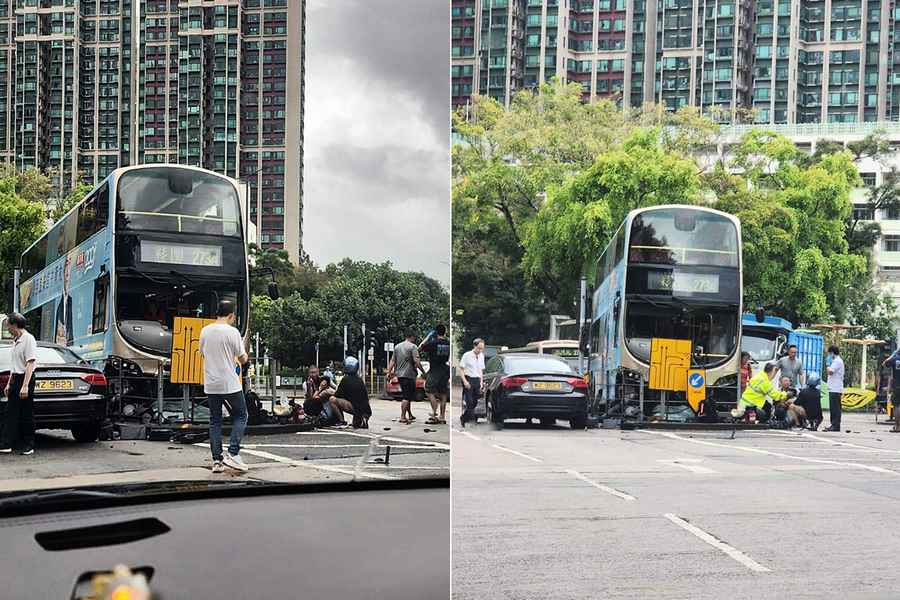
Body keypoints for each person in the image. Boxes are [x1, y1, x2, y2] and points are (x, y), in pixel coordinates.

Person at [199, 300, 249, 473]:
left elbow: (202, 353)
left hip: (211, 383)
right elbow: (242, 358)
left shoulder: (205, 330)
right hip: (229, 382)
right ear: (231, 315)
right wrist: (243, 358)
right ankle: (233, 453)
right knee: (241, 415)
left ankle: (217, 461)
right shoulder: (233, 332)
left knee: (215, 420)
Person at [1, 313, 38, 455]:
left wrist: (25, 385)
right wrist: (9, 384)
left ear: (14, 325)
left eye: (8, 326)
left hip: (26, 379)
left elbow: (30, 363)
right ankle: (6, 444)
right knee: (10, 412)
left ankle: (29, 445)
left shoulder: (28, 339)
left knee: (26, 413)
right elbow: (14, 365)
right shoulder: (16, 340)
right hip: (16, 378)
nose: (8, 329)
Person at [387, 330, 426, 425]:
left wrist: (388, 372)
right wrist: (424, 371)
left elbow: (392, 360)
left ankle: (409, 414)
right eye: (414, 337)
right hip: (409, 375)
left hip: (400, 375)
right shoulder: (413, 347)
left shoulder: (397, 346)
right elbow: (416, 361)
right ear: (412, 336)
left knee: (408, 395)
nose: (415, 339)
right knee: (406, 396)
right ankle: (403, 416)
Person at [420, 324, 451, 425]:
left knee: (428, 390)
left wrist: (428, 337)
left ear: (436, 332)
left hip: (435, 370)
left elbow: (420, 348)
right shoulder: (448, 343)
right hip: (445, 370)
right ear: (444, 332)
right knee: (443, 394)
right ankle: (442, 417)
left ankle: (434, 414)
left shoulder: (433, 343)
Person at [330, 356, 372, 429]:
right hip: (366, 409)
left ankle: (342, 421)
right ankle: (362, 419)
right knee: (356, 425)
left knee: (332, 399)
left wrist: (329, 392)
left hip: (355, 407)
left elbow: (337, 395)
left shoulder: (345, 379)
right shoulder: (360, 380)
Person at [458, 338, 486, 427]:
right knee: (469, 401)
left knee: (474, 402)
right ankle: (473, 421)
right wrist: (465, 381)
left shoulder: (482, 355)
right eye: (479, 348)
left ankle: (464, 417)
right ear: (474, 346)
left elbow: (481, 370)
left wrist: (481, 381)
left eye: (482, 348)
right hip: (468, 378)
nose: (480, 350)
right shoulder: (467, 355)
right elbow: (461, 369)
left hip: (477, 379)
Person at [825, 345, 845, 432]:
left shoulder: (837, 361)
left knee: (835, 408)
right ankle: (833, 424)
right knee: (833, 408)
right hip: (834, 388)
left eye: (829, 353)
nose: (829, 355)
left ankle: (835, 425)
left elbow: (830, 372)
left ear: (832, 353)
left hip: (835, 388)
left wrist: (828, 365)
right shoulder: (836, 361)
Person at [881, 348, 900, 416]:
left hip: (897, 386)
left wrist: (893, 355)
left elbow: (884, 364)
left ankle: (897, 425)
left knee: (897, 406)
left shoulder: (895, 359)